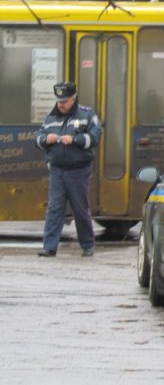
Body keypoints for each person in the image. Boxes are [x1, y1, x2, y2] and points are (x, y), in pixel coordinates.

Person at [35, 82, 102, 257]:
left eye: (64, 101)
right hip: (57, 170)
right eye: (59, 101)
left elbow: (94, 138)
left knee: (80, 209)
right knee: (54, 208)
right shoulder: (51, 117)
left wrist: (74, 140)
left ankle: (87, 245)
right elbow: (38, 137)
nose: (60, 105)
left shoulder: (87, 115)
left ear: (73, 99)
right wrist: (44, 140)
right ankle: (49, 247)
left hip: (78, 171)